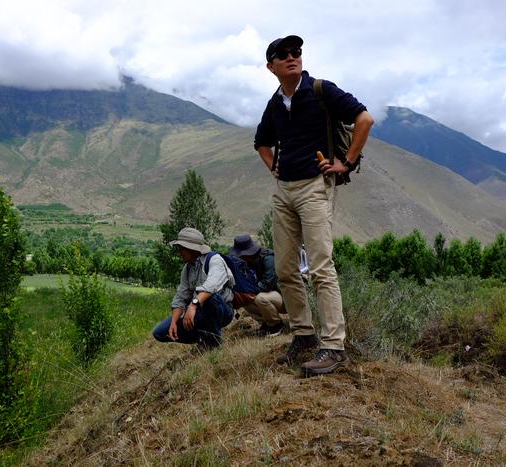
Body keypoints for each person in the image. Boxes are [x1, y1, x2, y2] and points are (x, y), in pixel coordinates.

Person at [253, 35, 374, 376]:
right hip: (284, 191)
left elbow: (364, 119)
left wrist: (346, 163)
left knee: (320, 266)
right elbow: (261, 142)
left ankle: (333, 346)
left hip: (314, 187)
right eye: (284, 54)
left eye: (297, 52)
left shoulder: (321, 90)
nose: (293, 57)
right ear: (271, 66)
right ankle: (304, 336)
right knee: (286, 269)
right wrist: (273, 165)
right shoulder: (275, 104)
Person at [152, 227, 236, 349]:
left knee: (210, 298)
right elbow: (181, 296)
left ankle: (215, 343)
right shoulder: (187, 269)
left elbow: (211, 286)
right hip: (199, 311)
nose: (180, 252)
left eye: (183, 249)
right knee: (160, 332)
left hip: (223, 311)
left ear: (192, 249)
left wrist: (193, 305)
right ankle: (203, 338)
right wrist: (174, 322)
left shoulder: (215, 260)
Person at [229, 233, 285, 336]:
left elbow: (267, 284)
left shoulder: (269, 259)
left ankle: (275, 325)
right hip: (272, 295)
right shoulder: (249, 263)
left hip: (285, 298)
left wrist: (250, 291)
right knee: (245, 299)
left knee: (259, 298)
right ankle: (266, 323)